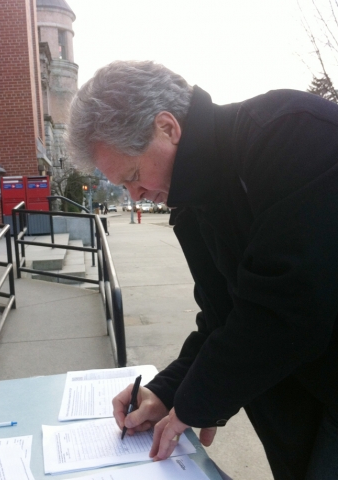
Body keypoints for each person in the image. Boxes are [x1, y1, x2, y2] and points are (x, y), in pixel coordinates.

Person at [67, 60, 338, 480]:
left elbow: (290, 307)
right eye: (124, 186)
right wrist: (165, 389)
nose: (136, 196)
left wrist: (195, 402)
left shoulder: (291, 134)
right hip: (299, 401)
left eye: (134, 176)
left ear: (168, 127)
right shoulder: (194, 204)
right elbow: (223, 318)